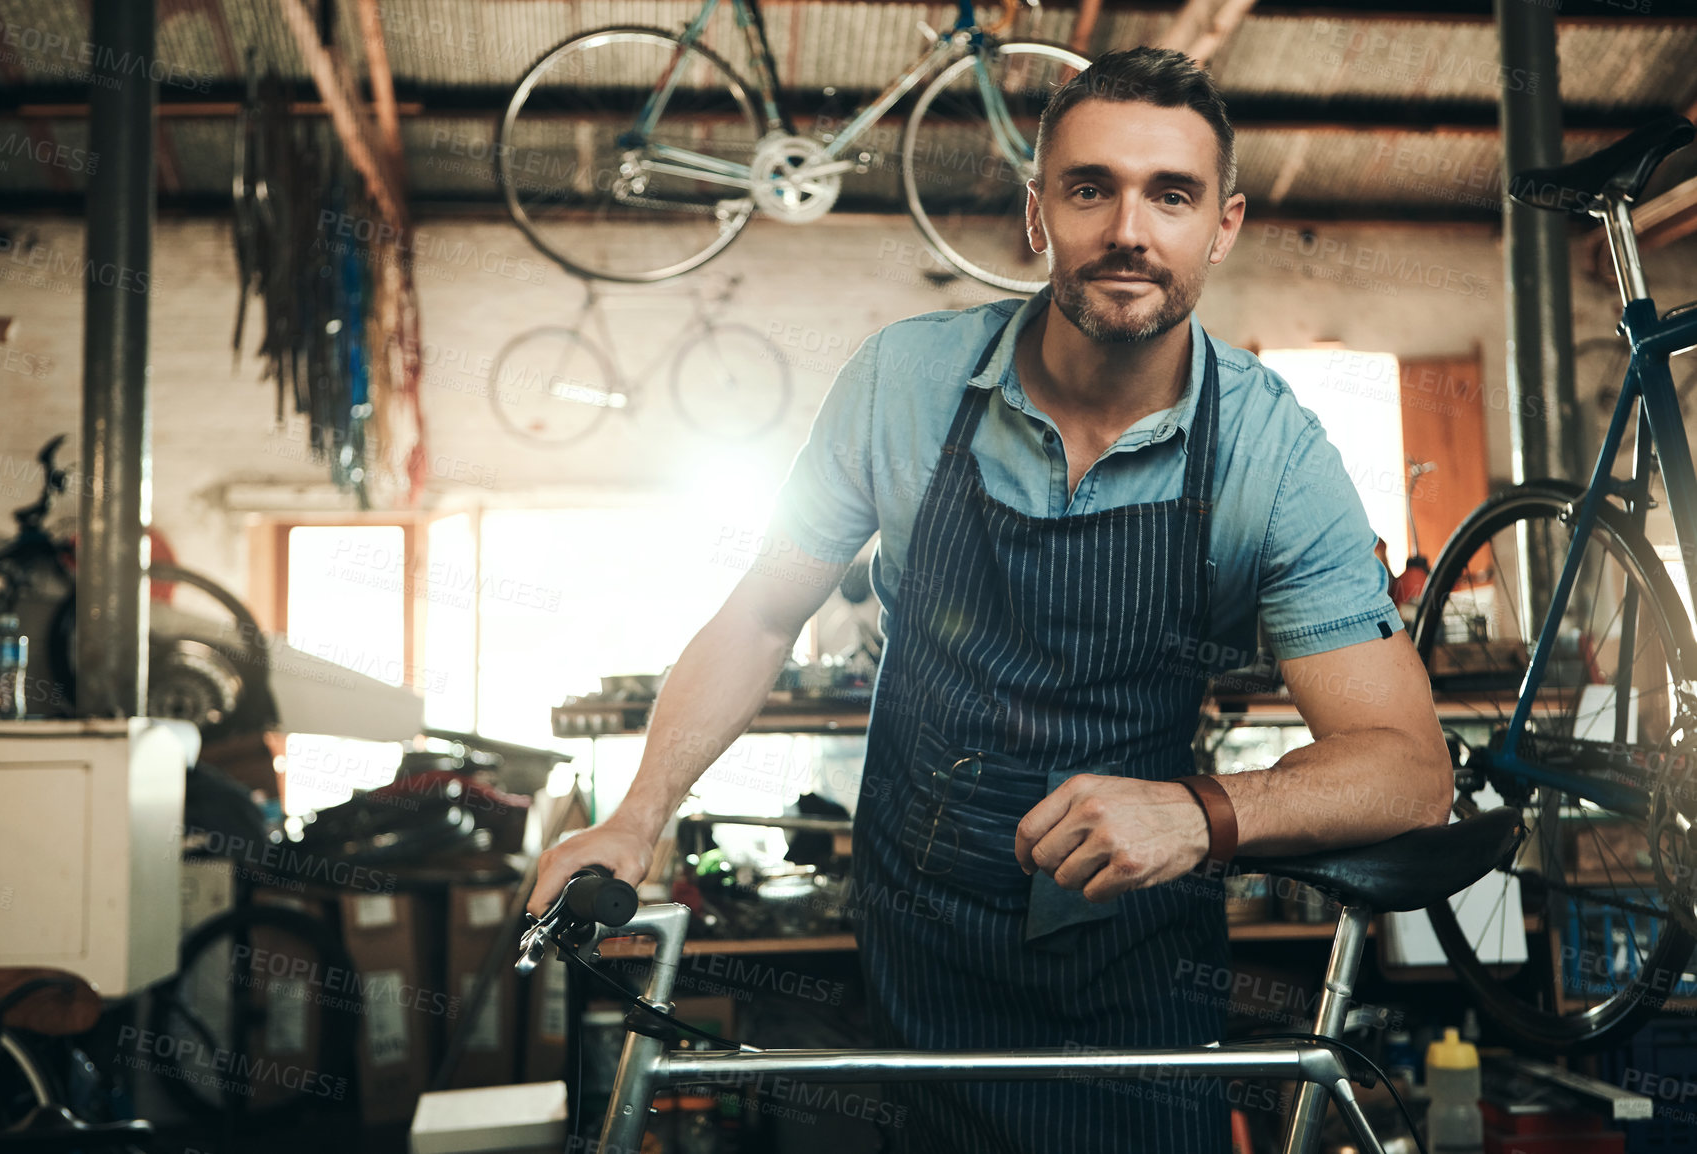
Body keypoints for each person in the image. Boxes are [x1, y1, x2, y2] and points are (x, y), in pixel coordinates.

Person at [528, 45, 1452, 1153]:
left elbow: (1408, 764)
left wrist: (1201, 812)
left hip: (1140, 945)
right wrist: (637, 813)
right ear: (1036, 214)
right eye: (1088, 187)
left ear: (1224, 224)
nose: (1128, 228)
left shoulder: (1273, 453)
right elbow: (762, 615)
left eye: (1171, 194)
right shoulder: (902, 386)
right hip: (923, 929)